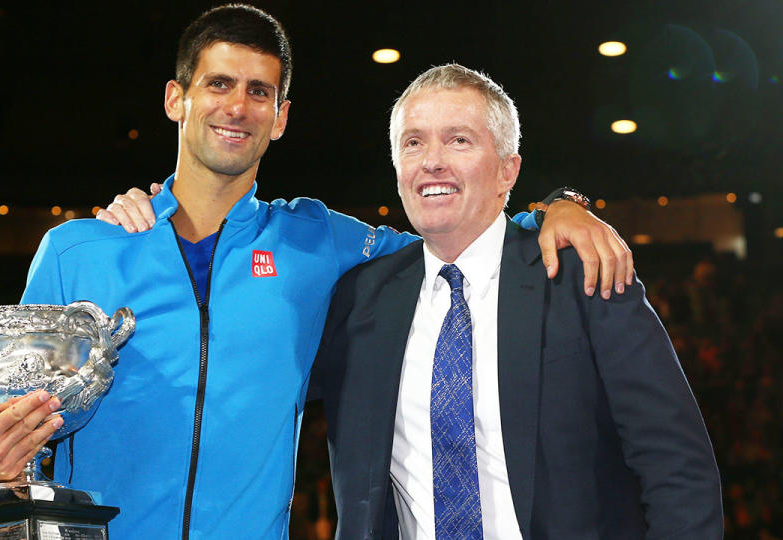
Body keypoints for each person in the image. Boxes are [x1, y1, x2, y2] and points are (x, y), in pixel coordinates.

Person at [0, 6, 632, 539]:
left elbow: (454, 234)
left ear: (281, 116)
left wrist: (556, 209)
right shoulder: (78, 251)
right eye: (217, 85)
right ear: (176, 99)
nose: (237, 106)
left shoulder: (317, 242)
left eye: (259, 92)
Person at [309, 64, 723, 539]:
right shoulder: (359, 301)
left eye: (458, 140)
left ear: (509, 170)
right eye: (413, 142)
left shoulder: (582, 275)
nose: (432, 161)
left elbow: (678, 470)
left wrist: (565, 202)